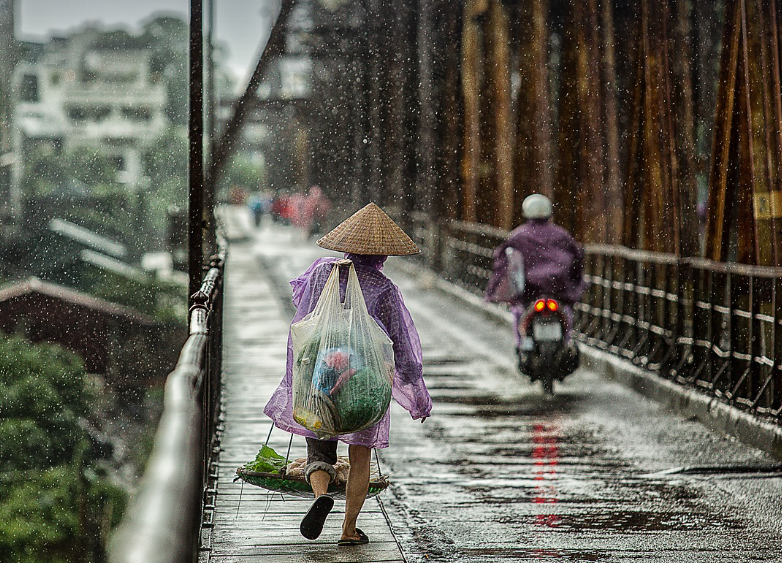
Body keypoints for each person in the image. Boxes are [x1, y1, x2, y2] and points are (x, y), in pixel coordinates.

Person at [263, 202, 432, 546]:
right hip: (363, 382)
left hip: (319, 374)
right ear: (383, 254)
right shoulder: (385, 289)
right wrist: (417, 392)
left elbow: (302, 304)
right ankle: (348, 529)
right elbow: (401, 344)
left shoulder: (323, 271)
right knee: (359, 456)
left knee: (320, 449)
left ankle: (320, 495)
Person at [485, 194, 587, 355]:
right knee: (566, 312)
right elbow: (577, 259)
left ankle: (521, 346)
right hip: (557, 290)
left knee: (518, 311)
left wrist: (493, 290)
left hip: (530, 291)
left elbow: (502, 264)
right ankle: (566, 343)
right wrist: (576, 286)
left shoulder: (518, 236)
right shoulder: (562, 235)